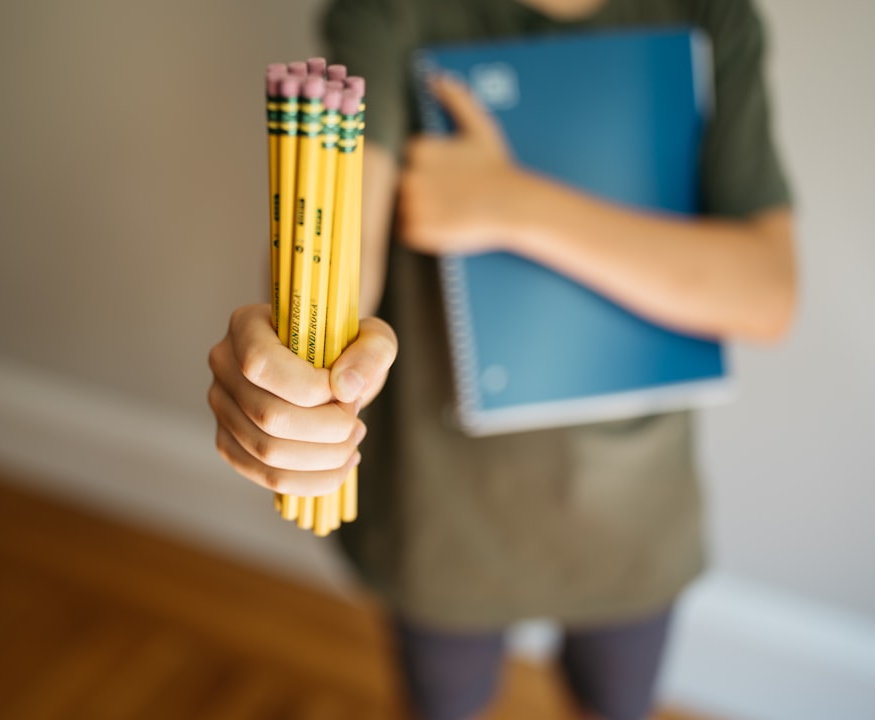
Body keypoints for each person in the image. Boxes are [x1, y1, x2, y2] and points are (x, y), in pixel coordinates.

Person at [207, 0, 796, 718]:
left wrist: (510, 203)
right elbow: (341, 243)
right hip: (441, 507)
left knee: (619, 702)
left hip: (633, 508)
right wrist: (292, 361)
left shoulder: (712, 16)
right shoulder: (392, 12)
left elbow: (767, 291)